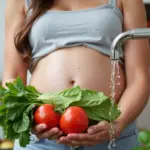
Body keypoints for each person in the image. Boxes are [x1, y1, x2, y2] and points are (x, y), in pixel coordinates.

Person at [3, 0, 150, 150]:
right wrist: (29, 120)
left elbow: (139, 77)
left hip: (111, 137)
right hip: (42, 141)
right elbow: (12, 76)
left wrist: (118, 123)